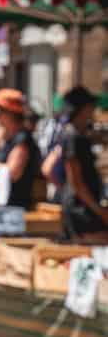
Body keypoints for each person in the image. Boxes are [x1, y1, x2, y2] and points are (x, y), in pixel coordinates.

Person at [0, 88, 41, 209]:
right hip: (2, 206)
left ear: (10, 113)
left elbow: (12, 173)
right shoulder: (9, 138)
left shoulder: (23, 139)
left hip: (15, 209)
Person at [60, 86, 108, 241]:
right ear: (82, 109)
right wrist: (100, 211)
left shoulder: (78, 134)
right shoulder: (73, 136)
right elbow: (76, 182)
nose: (93, 109)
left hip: (83, 206)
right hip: (81, 209)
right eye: (90, 106)